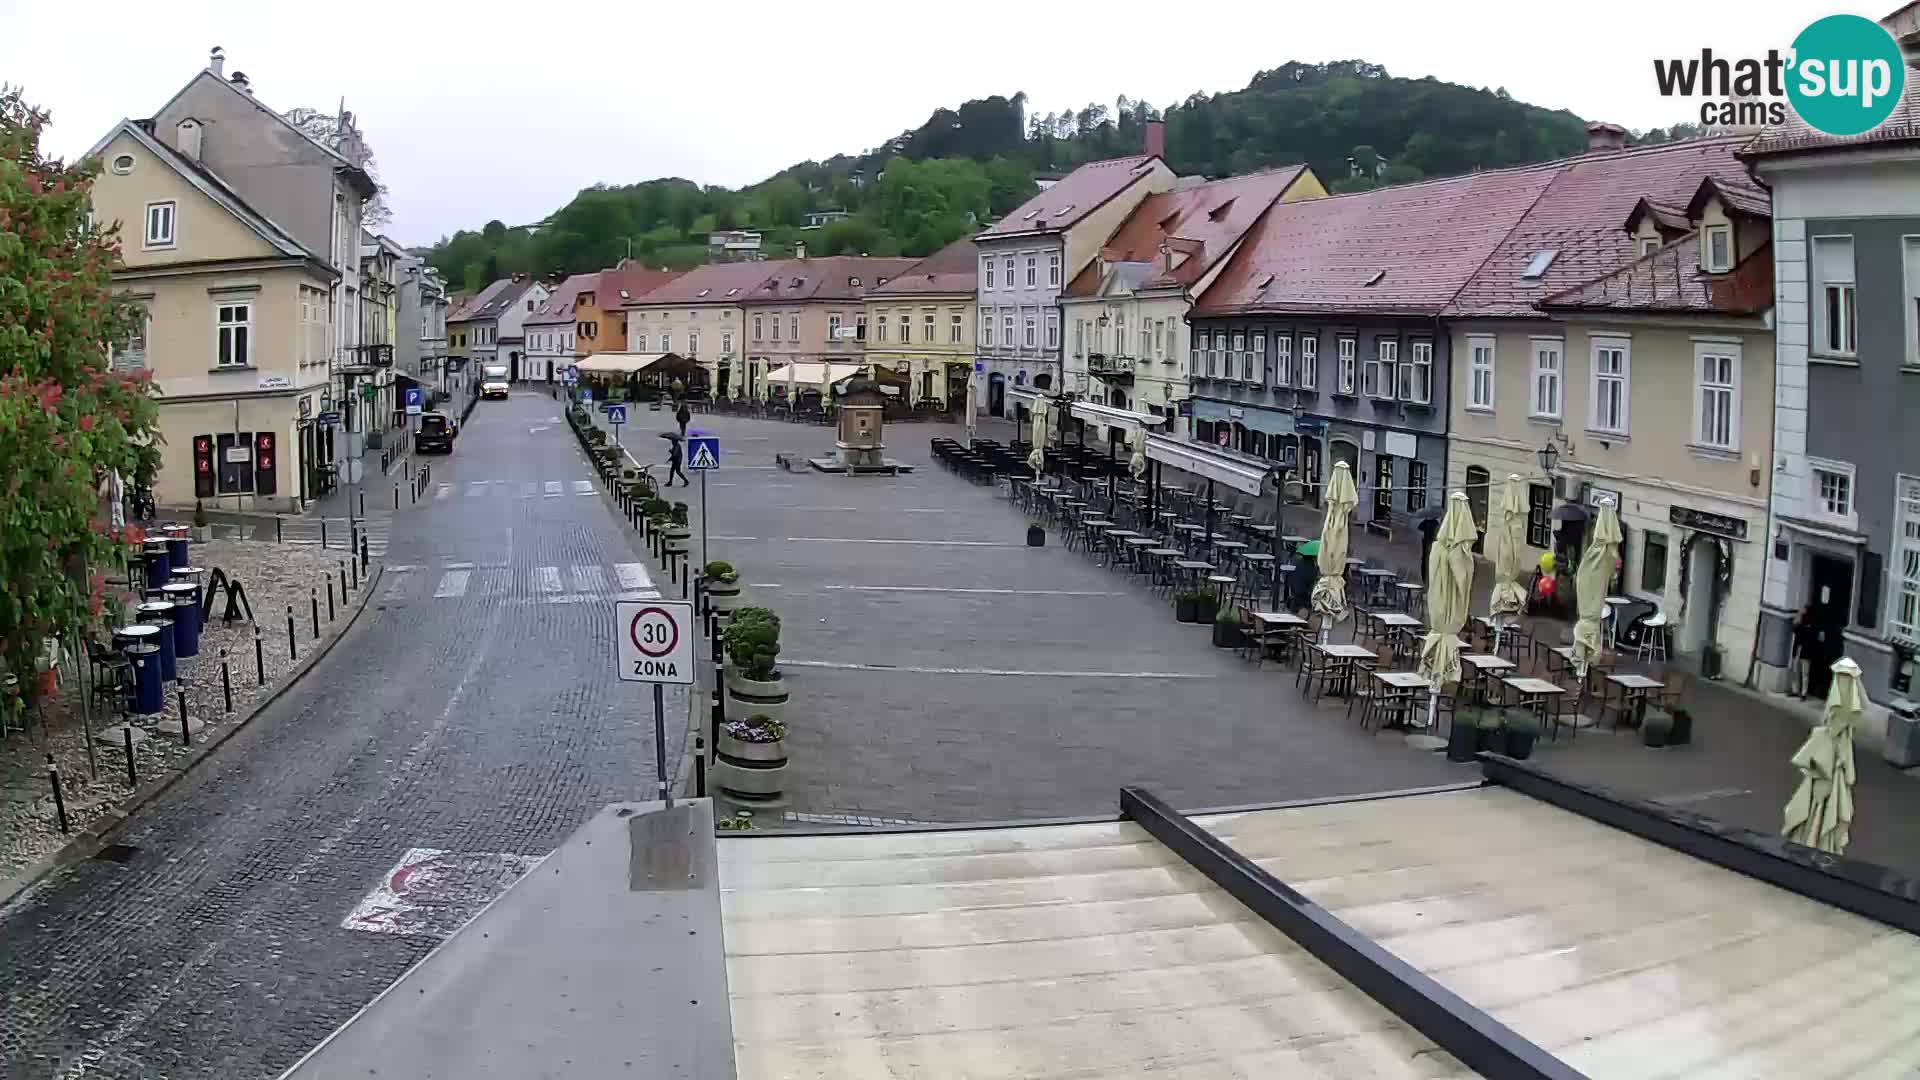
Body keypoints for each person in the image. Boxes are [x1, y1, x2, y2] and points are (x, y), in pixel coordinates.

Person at [1792, 604, 1822, 699]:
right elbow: (1794, 629)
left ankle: (1803, 692)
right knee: (1797, 671)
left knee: (1804, 673)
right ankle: (1796, 690)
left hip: (1805, 651)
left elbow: (1814, 639)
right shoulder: (1802, 625)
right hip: (1799, 650)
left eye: (1804, 610)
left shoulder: (1812, 626)